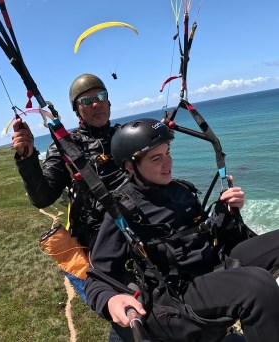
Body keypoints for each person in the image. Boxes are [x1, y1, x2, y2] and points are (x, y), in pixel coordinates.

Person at [84, 118, 279, 342]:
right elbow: (96, 277)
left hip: (211, 267)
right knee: (257, 287)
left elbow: (209, 235)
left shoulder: (181, 190)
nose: (168, 164)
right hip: (179, 295)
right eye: (156, 158)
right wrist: (109, 301)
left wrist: (227, 210)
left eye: (168, 153)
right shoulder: (123, 209)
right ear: (130, 166)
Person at [11, 73, 132, 341]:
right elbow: (42, 197)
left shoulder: (126, 135)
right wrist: (27, 157)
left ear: (109, 102)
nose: (96, 104)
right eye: (87, 100)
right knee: (125, 319)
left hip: (138, 238)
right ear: (77, 109)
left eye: (101, 97)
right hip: (99, 248)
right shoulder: (67, 146)